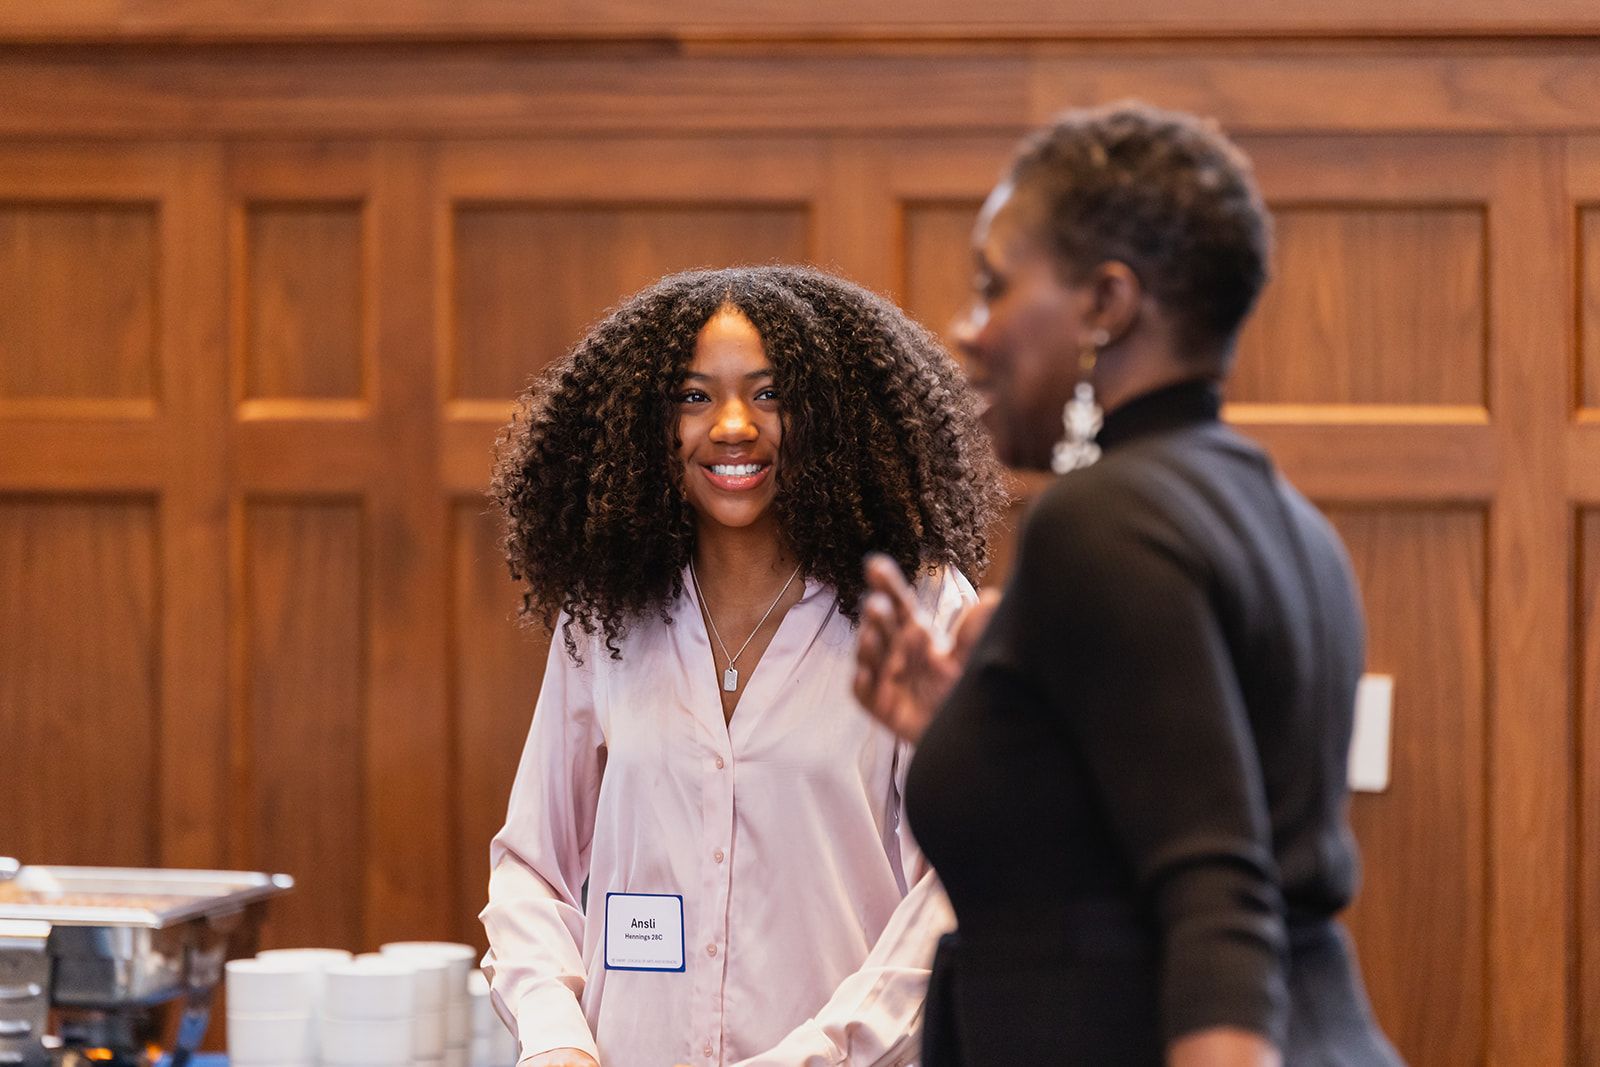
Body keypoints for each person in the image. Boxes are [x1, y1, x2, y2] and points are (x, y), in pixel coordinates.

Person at [853, 103, 1405, 1066]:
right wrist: (984, 727)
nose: (968, 328)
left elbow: (1218, 891)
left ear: (1108, 304)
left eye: (994, 287)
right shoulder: (1287, 519)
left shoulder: (1100, 520)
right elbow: (1125, 829)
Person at [481, 265, 1005, 1067]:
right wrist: (555, 1037)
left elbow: (960, 880)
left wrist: (824, 1054)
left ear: (829, 418)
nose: (732, 425)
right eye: (694, 397)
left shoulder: (916, 606)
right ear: (649, 426)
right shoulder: (607, 616)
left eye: (770, 394)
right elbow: (532, 868)